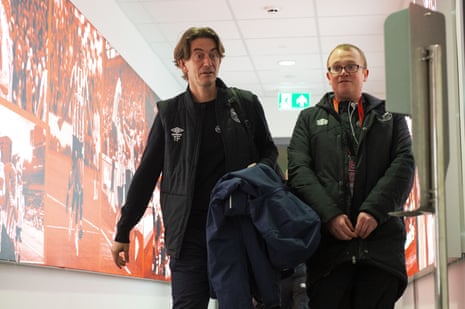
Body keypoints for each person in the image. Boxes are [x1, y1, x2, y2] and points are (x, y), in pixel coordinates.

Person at [111, 26, 279, 309]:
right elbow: (146, 174)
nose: (207, 62)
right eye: (198, 55)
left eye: (213, 55)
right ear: (183, 63)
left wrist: (257, 170)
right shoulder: (169, 114)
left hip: (235, 227)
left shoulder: (245, 105)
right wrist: (123, 229)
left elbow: (269, 151)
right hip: (189, 235)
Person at [287, 43, 415, 308]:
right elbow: (299, 171)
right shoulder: (308, 120)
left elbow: (404, 163)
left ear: (365, 73)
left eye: (351, 66)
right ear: (328, 76)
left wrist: (374, 210)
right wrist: (330, 215)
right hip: (328, 254)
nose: (343, 72)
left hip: (380, 249)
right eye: (337, 67)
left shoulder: (391, 116)